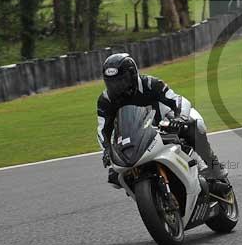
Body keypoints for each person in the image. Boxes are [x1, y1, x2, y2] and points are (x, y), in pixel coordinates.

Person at [96, 53, 231, 195]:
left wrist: (180, 118)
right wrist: (106, 150)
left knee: (192, 125)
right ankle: (148, 195)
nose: (117, 87)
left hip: (163, 127)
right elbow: (102, 129)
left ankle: (213, 167)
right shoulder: (106, 100)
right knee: (115, 177)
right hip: (133, 140)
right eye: (112, 83)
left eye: (121, 81)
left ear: (133, 75)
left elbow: (178, 100)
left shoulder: (150, 84)